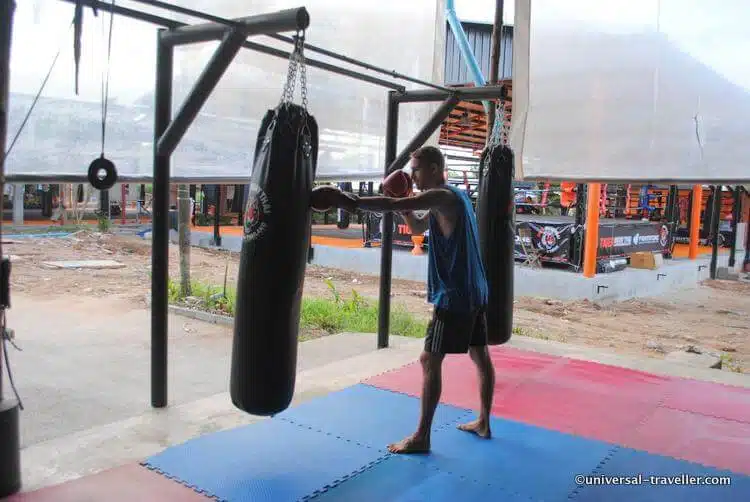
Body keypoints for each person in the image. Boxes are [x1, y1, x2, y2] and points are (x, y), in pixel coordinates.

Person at [342, 145, 496, 454]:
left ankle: (422, 436)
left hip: (455, 295)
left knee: (429, 359)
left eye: (417, 169)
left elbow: (388, 202)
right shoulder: (454, 197)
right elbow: (415, 226)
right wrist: (404, 207)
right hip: (475, 290)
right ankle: (484, 421)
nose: (412, 175)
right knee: (479, 353)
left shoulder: (444, 196)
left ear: (436, 169)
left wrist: (349, 201)